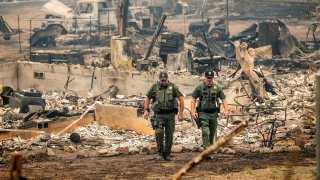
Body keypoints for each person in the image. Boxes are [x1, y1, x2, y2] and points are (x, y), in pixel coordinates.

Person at [144, 71, 184, 161]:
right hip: (159, 114)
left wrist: (181, 113)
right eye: (162, 80)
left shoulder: (173, 87)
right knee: (159, 133)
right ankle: (160, 153)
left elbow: (181, 99)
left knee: (169, 135)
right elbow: (147, 97)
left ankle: (167, 154)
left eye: (165, 80)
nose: (163, 82)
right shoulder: (155, 87)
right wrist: (146, 110)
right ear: (159, 80)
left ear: (167, 79)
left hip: (170, 115)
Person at [190, 70, 228, 152]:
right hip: (203, 113)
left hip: (213, 114)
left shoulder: (216, 88)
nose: (209, 79)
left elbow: (223, 99)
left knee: (212, 133)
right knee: (205, 132)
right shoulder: (200, 87)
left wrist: (226, 110)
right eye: (208, 78)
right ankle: (207, 151)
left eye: (211, 78)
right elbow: (193, 99)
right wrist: (193, 111)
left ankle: (210, 150)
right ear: (205, 78)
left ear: (213, 78)